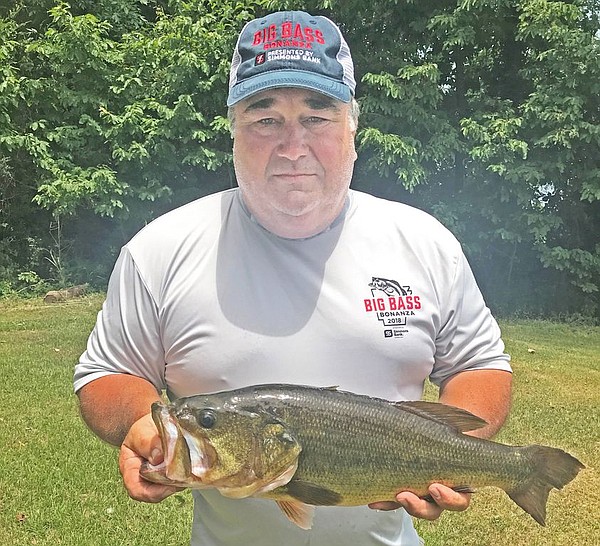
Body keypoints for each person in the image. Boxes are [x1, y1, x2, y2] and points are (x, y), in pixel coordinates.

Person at [74, 10, 512, 546]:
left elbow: (480, 365)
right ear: (233, 130)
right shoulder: (160, 250)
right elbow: (107, 373)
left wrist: (448, 454)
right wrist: (143, 425)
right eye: (265, 118)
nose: (292, 146)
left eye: (317, 116)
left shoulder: (424, 242)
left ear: (353, 126)